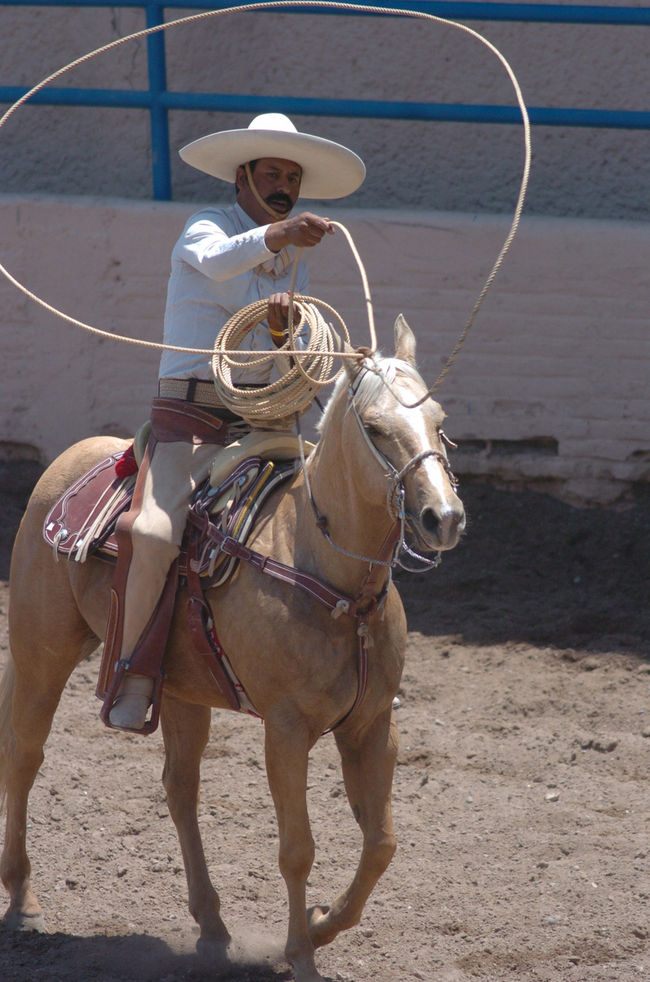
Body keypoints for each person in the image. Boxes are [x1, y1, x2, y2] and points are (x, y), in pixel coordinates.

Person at [100, 113, 365, 732]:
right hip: (190, 415)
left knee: (329, 508)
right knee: (159, 533)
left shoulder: (294, 256)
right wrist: (278, 238)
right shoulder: (207, 227)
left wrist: (285, 334)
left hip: (262, 414)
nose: (283, 185)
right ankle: (131, 672)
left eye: (292, 177)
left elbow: (283, 345)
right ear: (242, 176)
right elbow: (218, 265)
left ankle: (333, 661)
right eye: (271, 172)